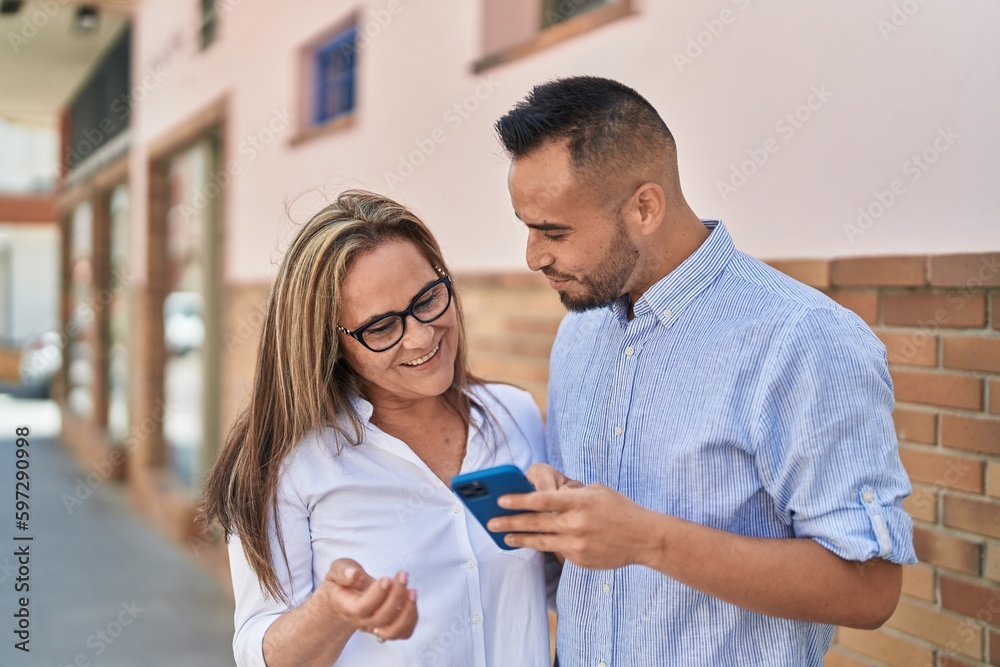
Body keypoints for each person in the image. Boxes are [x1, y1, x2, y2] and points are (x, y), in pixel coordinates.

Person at [488, 76, 917, 666]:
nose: (533, 257)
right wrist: (563, 517)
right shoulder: (579, 332)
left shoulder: (802, 338)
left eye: (554, 231)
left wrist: (647, 540)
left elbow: (869, 589)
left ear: (645, 207)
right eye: (527, 227)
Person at [202, 190, 552, 667]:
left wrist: (570, 531)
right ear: (331, 344)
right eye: (382, 327)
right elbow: (256, 650)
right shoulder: (289, 464)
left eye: (428, 298)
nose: (423, 336)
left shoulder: (517, 415)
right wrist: (332, 612)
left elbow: (552, 586)